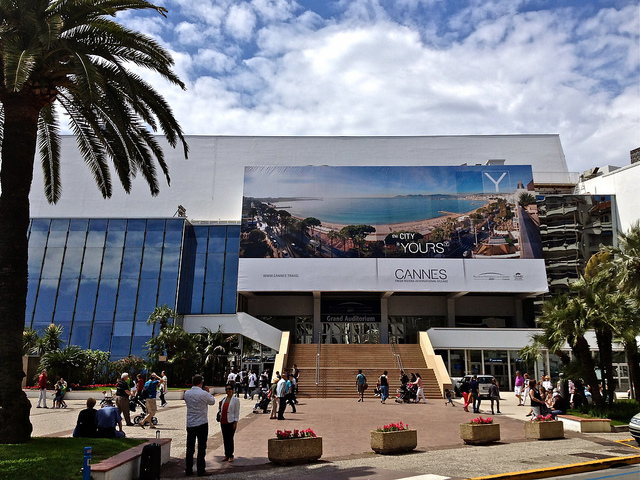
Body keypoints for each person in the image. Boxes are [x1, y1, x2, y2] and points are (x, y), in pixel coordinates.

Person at [184, 374, 215, 476]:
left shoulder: (187, 393)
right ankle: (200, 470)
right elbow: (212, 402)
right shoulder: (204, 394)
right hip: (202, 423)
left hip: (190, 423)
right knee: (201, 448)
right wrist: (208, 392)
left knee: (190, 448)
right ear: (201, 382)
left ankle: (188, 469)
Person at [218, 382, 240, 462]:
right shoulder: (223, 399)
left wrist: (235, 422)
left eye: (230, 389)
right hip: (223, 421)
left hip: (231, 421)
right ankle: (226, 454)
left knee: (230, 438)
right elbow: (221, 410)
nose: (228, 391)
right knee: (225, 438)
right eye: (227, 389)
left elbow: (237, 412)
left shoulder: (235, 400)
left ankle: (231, 455)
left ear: (233, 390)